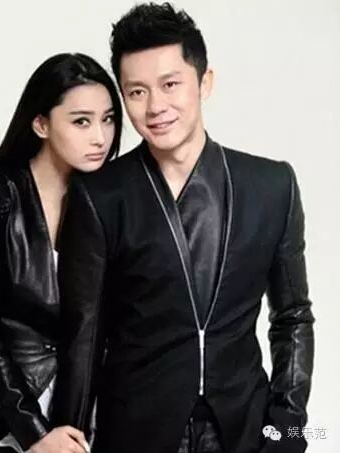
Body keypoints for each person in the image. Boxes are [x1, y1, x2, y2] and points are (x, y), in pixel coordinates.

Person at [52, 3, 314, 453]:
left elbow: (292, 316)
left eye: (170, 84)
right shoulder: (100, 195)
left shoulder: (273, 185)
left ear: (204, 82)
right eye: (136, 92)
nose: (156, 107)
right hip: (134, 429)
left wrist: (287, 432)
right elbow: (84, 333)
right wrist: (68, 432)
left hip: (245, 427)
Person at [0, 52, 122, 453]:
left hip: (84, 409)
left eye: (108, 119)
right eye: (81, 121)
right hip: (4, 413)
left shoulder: (110, 200)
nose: (100, 137)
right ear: (41, 124)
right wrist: (34, 433)